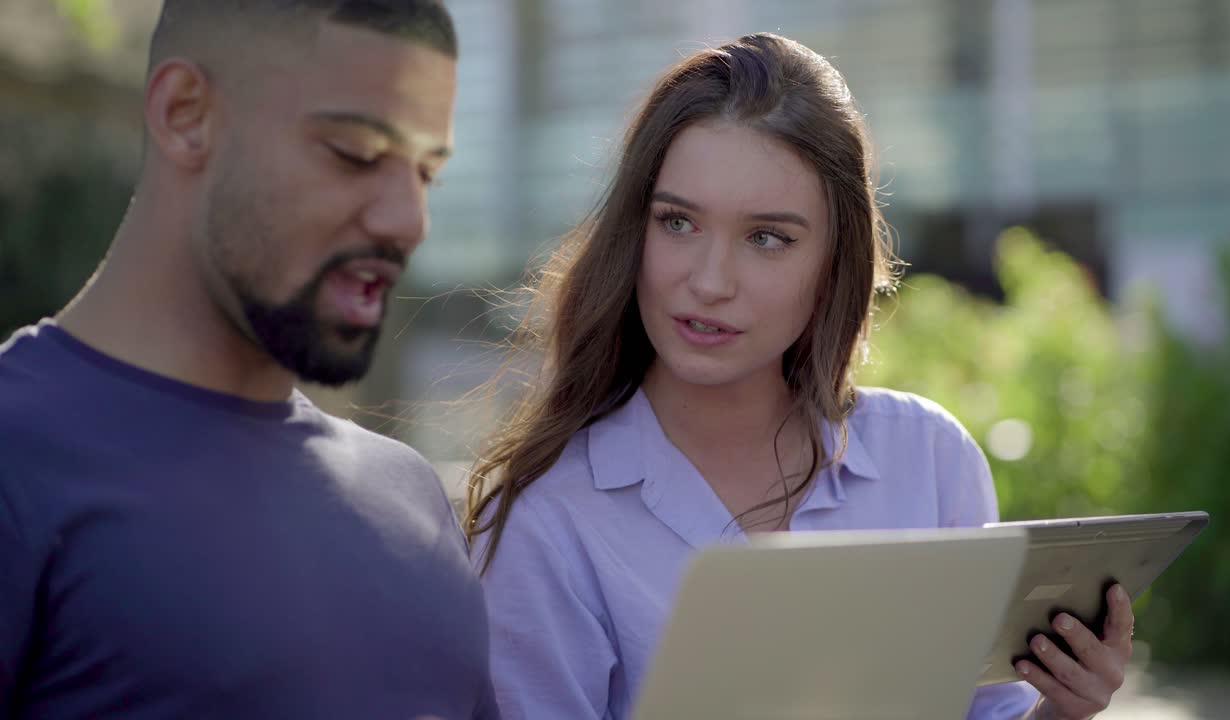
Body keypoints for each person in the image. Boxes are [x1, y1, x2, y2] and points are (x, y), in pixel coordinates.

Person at [466, 33, 1133, 720]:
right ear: (634, 230)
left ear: (833, 264)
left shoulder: (927, 459)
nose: (710, 281)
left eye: (767, 238)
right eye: (678, 222)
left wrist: (1060, 710)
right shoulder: (546, 519)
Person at [0, 2, 499, 718]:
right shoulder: (17, 459)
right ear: (185, 113)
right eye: (356, 153)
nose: (408, 220)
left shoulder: (413, 498)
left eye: (426, 172)